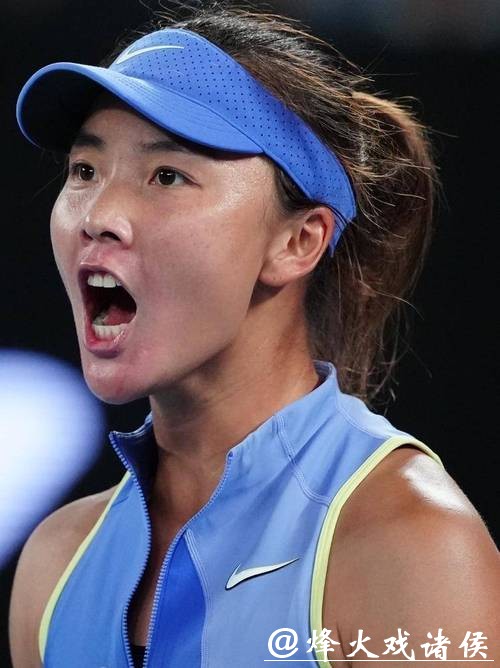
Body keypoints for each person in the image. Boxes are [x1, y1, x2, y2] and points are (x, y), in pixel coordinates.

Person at [9, 3, 499, 667]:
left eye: (167, 176)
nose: (98, 215)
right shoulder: (55, 564)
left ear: (298, 242)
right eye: (85, 171)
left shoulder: (411, 546)